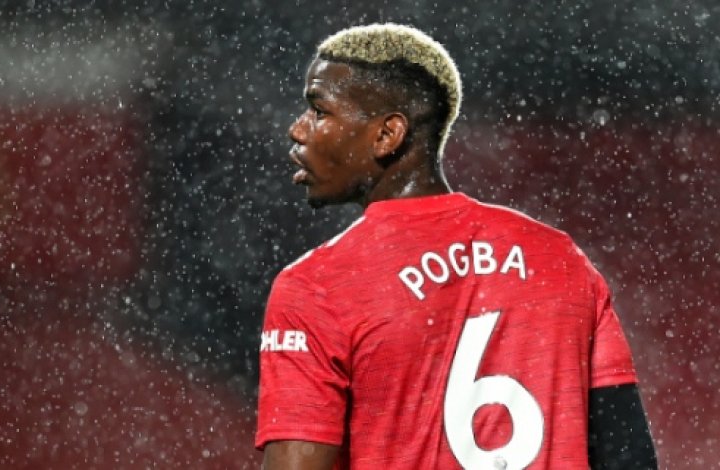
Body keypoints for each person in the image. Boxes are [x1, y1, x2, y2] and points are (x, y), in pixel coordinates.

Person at [255, 24, 657, 470]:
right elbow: (629, 457)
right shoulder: (561, 259)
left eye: (318, 110)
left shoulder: (317, 286)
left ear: (388, 135)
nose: (297, 129)